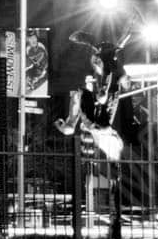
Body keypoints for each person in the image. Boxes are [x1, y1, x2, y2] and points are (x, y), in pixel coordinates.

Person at [54, 28, 136, 162]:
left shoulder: (108, 68)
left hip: (101, 125)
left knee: (89, 96)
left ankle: (79, 122)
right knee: (91, 96)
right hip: (101, 124)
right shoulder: (114, 69)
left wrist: (69, 123)